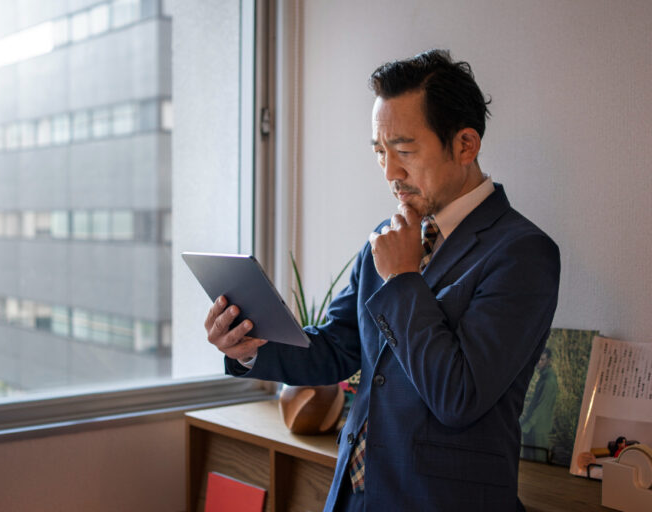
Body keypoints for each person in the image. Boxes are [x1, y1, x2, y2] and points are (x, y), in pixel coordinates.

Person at [205, 49, 560, 511]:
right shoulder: (387, 239)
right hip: (355, 496)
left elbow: (459, 395)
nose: (391, 173)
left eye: (405, 151)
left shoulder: (522, 252)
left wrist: (402, 280)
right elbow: (335, 348)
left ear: (466, 144)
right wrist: (249, 347)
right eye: (380, 152)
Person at [520, 347, 560, 462]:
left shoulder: (548, 381)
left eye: (542, 360)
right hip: (536, 426)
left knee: (537, 461)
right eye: (538, 359)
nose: (538, 362)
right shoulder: (544, 377)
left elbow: (541, 408)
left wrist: (527, 425)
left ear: (549, 361)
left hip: (538, 428)